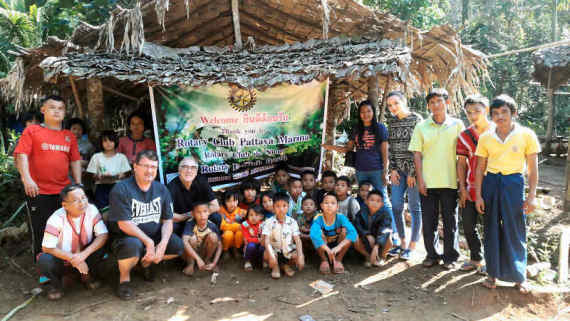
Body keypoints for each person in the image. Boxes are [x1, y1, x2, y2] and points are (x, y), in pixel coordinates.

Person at [474, 94, 539, 294]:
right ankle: (492, 274)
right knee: (491, 227)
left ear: (514, 113)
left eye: (504, 112)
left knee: (515, 228)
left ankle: (519, 277)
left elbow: (533, 169)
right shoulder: (485, 137)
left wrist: (531, 196)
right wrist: (478, 195)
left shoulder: (526, 135)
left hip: (513, 183)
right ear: (491, 116)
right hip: (491, 182)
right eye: (495, 113)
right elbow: (479, 168)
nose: (500, 117)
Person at [108, 150, 184, 300]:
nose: (150, 171)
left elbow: (168, 220)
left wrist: (162, 243)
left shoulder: (161, 189)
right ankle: (124, 279)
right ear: (135, 166)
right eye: (146, 166)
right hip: (126, 237)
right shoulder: (121, 189)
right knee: (132, 246)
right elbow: (124, 224)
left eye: (153, 167)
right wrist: (148, 242)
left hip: (153, 235)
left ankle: (145, 264)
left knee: (177, 246)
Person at [14, 95, 82, 262]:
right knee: (41, 231)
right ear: (43, 110)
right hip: (38, 191)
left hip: (64, 192)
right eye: (52, 107)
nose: (57, 111)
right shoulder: (32, 131)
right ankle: (45, 271)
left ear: (65, 112)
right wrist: (27, 179)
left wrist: (78, 184)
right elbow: (21, 155)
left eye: (60, 108)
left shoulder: (69, 136)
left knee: (67, 229)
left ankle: (67, 266)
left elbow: (75, 160)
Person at [409, 88, 465, 269]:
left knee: (451, 222)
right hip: (428, 182)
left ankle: (450, 258)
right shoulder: (421, 127)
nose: (436, 105)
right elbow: (417, 155)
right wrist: (420, 180)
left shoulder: (457, 125)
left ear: (447, 103)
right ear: (428, 106)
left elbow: (463, 156)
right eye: (432, 102)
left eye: (439, 101)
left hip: (450, 181)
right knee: (429, 221)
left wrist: (461, 182)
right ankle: (431, 255)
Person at [38, 184, 108, 300]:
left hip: (84, 254)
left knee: (100, 246)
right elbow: (47, 248)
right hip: (63, 258)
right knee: (45, 259)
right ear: (65, 205)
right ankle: (56, 285)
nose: (82, 203)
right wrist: (73, 258)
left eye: (84, 198)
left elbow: (103, 235)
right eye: (76, 200)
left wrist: (83, 255)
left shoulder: (92, 209)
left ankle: (88, 276)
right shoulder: (56, 218)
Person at [322, 100, 390, 200]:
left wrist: (385, 171)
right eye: (362, 112)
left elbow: (385, 151)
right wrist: (329, 147)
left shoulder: (380, 128)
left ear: (373, 112)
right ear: (359, 114)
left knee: (382, 198)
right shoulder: (356, 129)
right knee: (363, 198)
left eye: (368, 111)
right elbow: (348, 149)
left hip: (377, 169)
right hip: (360, 170)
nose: (365, 114)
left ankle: (388, 216)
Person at [456, 94, 492, 272]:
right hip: (470, 187)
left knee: (491, 226)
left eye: (477, 111)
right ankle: (476, 258)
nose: (473, 115)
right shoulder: (464, 135)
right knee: (469, 225)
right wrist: (461, 188)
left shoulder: (496, 132)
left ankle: (491, 262)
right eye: (469, 112)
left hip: (492, 187)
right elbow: (461, 164)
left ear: (486, 110)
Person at [386, 90, 423, 260]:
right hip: (398, 171)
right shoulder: (391, 122)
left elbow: (420, 149)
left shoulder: (417, 120)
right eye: (389, 105)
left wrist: (413, 173)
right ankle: (401, 243)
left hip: (414, 171)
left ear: (404, 101)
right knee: (396, 206)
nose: (393, 107)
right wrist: (392, 169)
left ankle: (412, 246)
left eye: (396, 103)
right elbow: (391, 149)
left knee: (414, 208)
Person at [167, 156, 221, 234]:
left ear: (196, 172)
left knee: (216, 217)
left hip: (201, 217)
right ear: (179, 170)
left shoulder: (202, 181)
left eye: (193, 167)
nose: (189, 170)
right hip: (182, 220)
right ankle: (182, 244)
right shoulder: (171, 187)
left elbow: (216, 206)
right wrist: (186, 216)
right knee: (172, 226)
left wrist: (199, 213)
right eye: (185, 167)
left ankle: (212, 241)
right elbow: (168, 215)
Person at [310, 192, 357, 274]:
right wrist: (328, 250)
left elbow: (353, 233)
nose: (329, 205)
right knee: (318, 233)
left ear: (337, 206)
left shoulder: (341, 217)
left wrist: (339, 247)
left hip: (338, 244)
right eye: (326, 203)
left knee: (345, 231)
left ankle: (339, 260)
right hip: (324, 246)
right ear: (321, 206)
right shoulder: (318, 218)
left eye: (333, 203)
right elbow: (313, 235)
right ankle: (324, 260)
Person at [262, 192, 305, 279]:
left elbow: (297, 240)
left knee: (297, 256)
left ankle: (284, 265)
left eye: (284, 206)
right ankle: (276, 266)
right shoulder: (268, 222)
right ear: (273, 207)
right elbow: (266, 241)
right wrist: (271, 255)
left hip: (287, 250)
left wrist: (301, 255)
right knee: (266, 254)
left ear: (288, 207)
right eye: (278, 206)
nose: (281, 209)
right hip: (274, 250)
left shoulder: (292, 222)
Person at [86, 130, 131, 209]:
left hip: (118, 186)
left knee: (119, 210)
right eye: (105, 141)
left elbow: (127, 173)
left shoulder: (121, 157)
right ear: (101, 143)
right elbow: (91, 174)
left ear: (115, 142)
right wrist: (98, 176)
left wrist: (120, 175)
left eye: (111, 140)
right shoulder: (96, 157)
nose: (108, 143)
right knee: (103, 211)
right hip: (101, 188)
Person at [181, 201, 222, 276]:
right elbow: (184, 241)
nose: (202, 215)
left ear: (209, 212)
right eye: (198, 212)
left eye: (205, 211)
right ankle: (191, 264)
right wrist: (198, 259)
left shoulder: (212, 225)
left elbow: (219, 245)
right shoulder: (190, 223)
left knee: (213, 237)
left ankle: (207, 260)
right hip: (190, 254)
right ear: (193, 214)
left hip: (203, 251)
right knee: (192, 239)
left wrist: (214, 262)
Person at [353, 190, 393, 267]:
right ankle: (368, 256)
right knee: (355, 237)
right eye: (372, 200)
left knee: (389, 236)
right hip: (366, 240)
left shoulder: (385, 214)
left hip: (380, 240)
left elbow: (385, 230)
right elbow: (357, 225)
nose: (374, 203)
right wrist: (367, 234)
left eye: (378, 201)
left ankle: (382, 257)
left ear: (382, 204)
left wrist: (376, 245)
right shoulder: (361, 212)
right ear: (366, 201)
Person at [220, 190, 245, 257]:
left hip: (237, 235)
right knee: (228, 234)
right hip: (226, 234)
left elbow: (249, 219)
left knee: (240, 233)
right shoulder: (221, 211)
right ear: (224, 202)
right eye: (228, 201)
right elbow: (222, 226)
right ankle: (226, 250)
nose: (232, 204)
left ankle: (236, 249)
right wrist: (238, 226)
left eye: (234, 201)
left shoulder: (241, 211)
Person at [241, 205, 265, 271]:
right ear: (247, 216)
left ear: (261, 217)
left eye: (256, 215)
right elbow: (247, 238)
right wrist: (258, 240)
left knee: (262, 247)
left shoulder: (263, 224)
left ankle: (261, 261)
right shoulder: (245, 224)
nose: (253, 218)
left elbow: (264, 237)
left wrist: (261, 240)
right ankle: (247, 261)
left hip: (260, 244)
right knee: (251, 245)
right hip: (249, 245)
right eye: (251, 215)